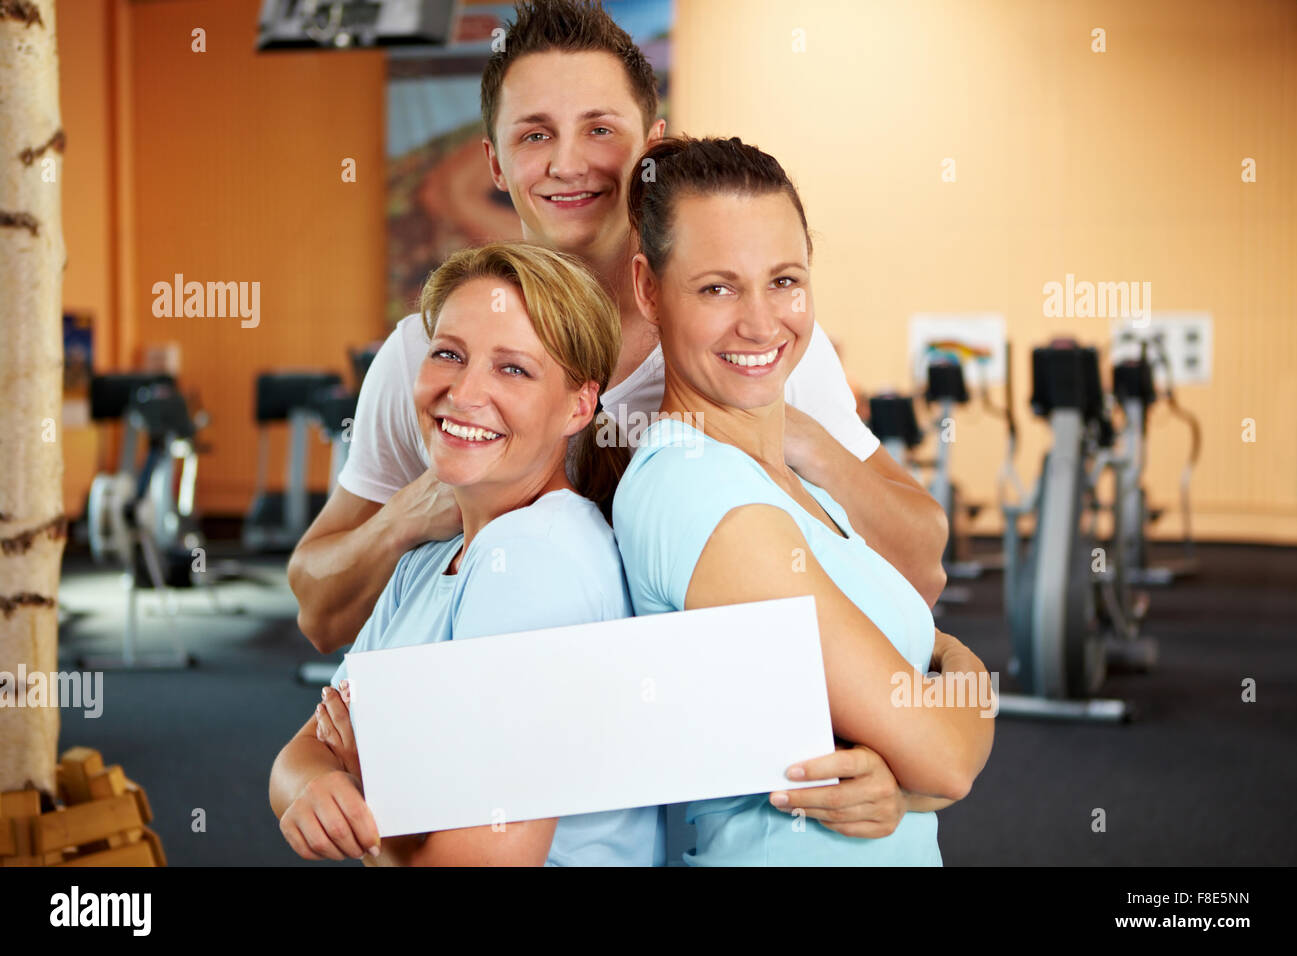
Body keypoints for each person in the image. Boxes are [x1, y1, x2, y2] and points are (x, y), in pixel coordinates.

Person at [288, 0, 943, 841]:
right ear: (491, 158)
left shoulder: (747, 344)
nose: (569, 163)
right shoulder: (432, 359)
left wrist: (787, 434)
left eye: (600, 129)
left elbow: (913, 571)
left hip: (732, 804)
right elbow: (320, 610)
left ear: (652, 145)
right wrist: (418, 511)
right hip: (529, 810)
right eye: (534, 134)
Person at [614, 136, 996, 866]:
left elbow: (926, 769)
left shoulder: (797, 483)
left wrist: (910, 784)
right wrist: (962, 669)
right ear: (648, 289)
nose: (761, 323)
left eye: (784, 280)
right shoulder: (697, 491)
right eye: (717, 288)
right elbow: (947, 761)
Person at [269, 242, 662, 865]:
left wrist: (372, 809)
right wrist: (321, 784)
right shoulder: (429, 561)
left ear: (579, 406)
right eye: (448, 354)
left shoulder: (536, 563)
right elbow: (302, 753)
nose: (464, 391)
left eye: (513, 369)